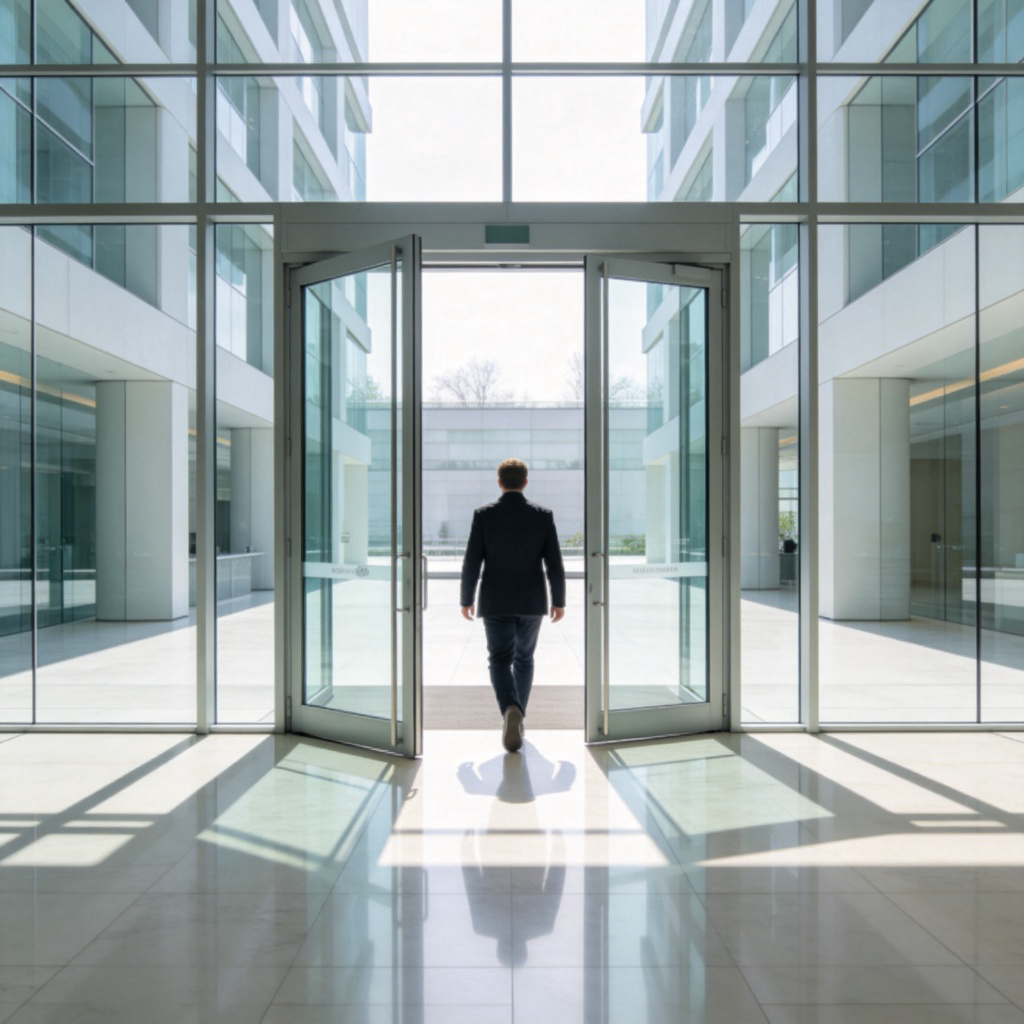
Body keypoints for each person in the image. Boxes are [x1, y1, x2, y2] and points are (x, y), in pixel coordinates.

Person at [460, 458, 566, 752]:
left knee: (499, 659)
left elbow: (472, 560)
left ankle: (510, 708)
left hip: (495, 600)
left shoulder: (483, 515)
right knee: (525, 659)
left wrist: (466, 598)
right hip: (532, 601)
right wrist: (559, 600)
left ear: (499, 482)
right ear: (526, 482)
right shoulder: (542, 515)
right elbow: (554, 562)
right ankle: (518, 715)